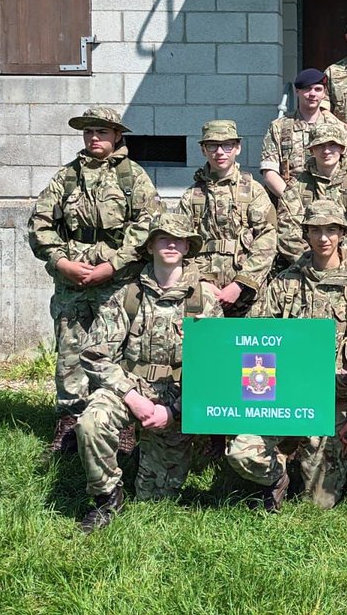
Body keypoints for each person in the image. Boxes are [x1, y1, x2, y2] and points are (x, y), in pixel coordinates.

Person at [227, 199, 347, 511]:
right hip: (285, 400)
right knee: (242, 452)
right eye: (315, 230)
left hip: (334, 405)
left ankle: (308, 454)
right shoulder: (285, 282)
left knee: (319, 503)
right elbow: (253, 339)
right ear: (306, 234)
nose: (323, 238)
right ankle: (277, 477)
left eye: (331, 230)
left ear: (342, 233)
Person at [27, 106, 163, 456]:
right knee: (70, 350)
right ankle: (69, 424)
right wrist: (61, 262)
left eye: (101, 132)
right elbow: (40, 223)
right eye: (88, 132)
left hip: (117, 281)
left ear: (117, 135)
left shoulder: (133, 177)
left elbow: (148, 225)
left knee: (118, 352)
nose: (94, 138)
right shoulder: (67, 176)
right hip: (72, 280)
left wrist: (113, 265)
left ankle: (121, 426)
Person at [76, 212, 223, 532]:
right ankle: (106, 498)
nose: (170, 244)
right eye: (162, 238)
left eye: (177, 239)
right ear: (151, 245)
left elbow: (216, 368)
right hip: (128, 386)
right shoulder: (127, 294)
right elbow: (93, 354)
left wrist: (174, 411)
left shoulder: (204, 298)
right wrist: (131, 396)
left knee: (155, 502)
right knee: (92, 422)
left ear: (187, 246)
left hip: (178, 395)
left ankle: (144, 459)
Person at [177, 120, 276, 316]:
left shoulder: (253, 191)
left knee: (249, 345)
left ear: (237, 148)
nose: (220, 152)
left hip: (249, 294)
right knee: (207, 345)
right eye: (212, 145)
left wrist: (240, 284)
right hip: (204, 293)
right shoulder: (192, 196)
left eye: (227, 145)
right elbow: (179, 244)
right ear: (204, 150)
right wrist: (201, 282)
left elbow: (267, 240)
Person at [276, 122, 347, 270]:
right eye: (320, 146)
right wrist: (312, 262)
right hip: (306, 269)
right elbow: (287, 232)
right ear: (311, 149)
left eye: (332, 145)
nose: (326, 151)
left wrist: (339, 261)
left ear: (342, 148)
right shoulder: (296, 187)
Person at [261, 68, 345, 203]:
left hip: (330, 202)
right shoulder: (279, 127)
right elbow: (269, 172)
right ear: (297, 91)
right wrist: (293, 202)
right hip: (289, 201)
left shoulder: (337, 127)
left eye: (318, 89)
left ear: (324, 94)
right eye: (307, 89)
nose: (312, 94)